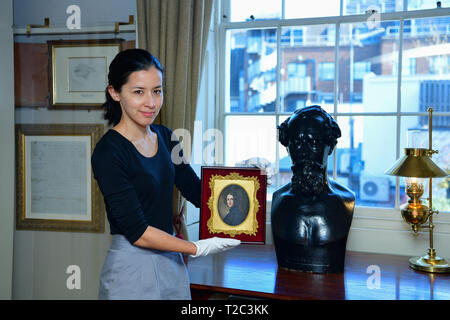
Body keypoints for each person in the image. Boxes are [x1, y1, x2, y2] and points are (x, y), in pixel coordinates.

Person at [91, 48, 240, 300]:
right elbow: (137, 231)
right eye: (139, 92)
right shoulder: (109, 151)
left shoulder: (167, 137)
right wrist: (196, 248)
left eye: (157, 91)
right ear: (115, 93)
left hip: (171, 261)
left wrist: (244, 178)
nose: (151, 102)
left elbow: (197, 192)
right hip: (131, 268)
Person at [271, 105, 355, 273]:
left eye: (313, 143)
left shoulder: (346, 201)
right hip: (285, 286)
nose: (304, 152)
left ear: (329, 147)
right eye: (296, 143)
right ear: (288, 147)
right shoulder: (278, 199)